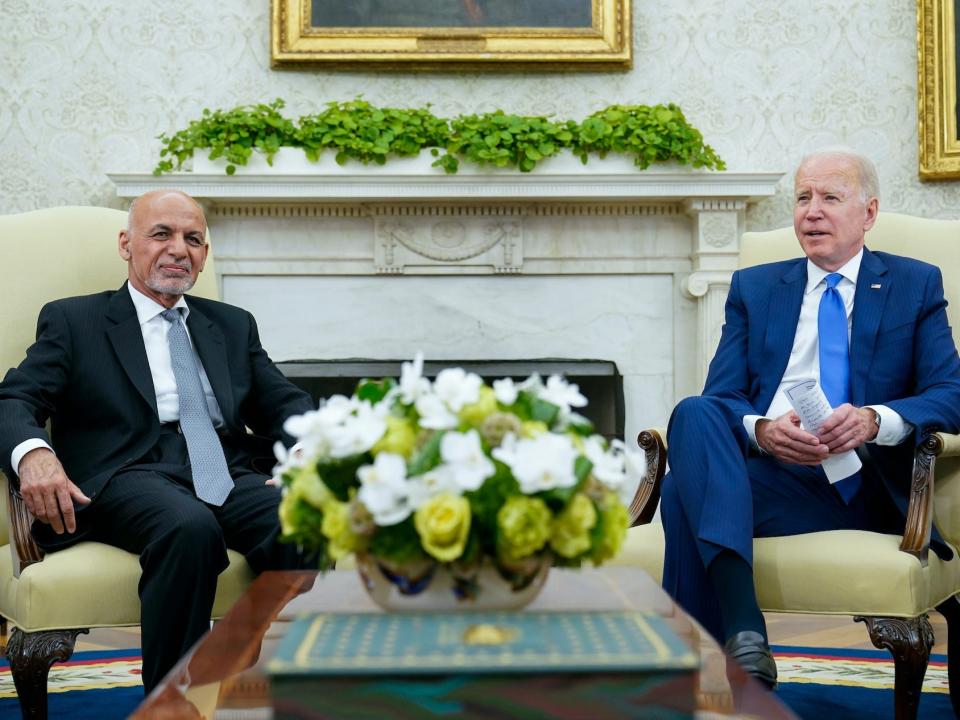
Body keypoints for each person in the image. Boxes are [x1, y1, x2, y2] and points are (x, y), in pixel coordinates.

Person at [660, 148, 960, 688]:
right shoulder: (756, 287)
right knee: (694, 412)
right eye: (802, 197)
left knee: (683, 491)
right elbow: (724, 396)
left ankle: (709, 663)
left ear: (868, 213)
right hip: (777, 476)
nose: (811, 211)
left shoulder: (914, 284)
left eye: (830, 197)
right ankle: (746, 636)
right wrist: (763, 432)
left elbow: (951, 392)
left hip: (865, 482)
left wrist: (875, 419)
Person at [0, 190, 316, 692]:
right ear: (127, 245)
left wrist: (306, 453)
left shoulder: (232, 325)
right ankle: (173, 701)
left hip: (225, 467)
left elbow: (285, 402)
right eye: (161, 234)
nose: (178, 249)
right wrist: (35, 454)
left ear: (204, 255)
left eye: (192, 239)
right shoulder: (74, 320)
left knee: (306, 519)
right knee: (188, 529)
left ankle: (248, 675)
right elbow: (15, 398)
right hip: (129, 471)